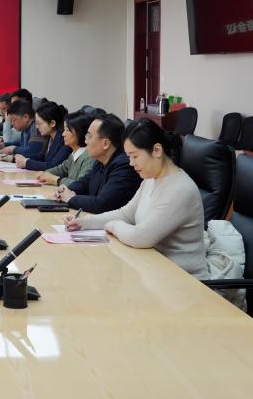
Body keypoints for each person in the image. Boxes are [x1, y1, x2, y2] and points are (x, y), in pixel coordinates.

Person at [65, 119, 208, 278]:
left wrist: (112, 225)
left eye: (135, 156)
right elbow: (126, 214)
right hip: (151, 266)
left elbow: (140, 237)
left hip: (182, 278)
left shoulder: (180, 189)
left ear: (157, 150)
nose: (131, 163)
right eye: (129, 157)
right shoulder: (150, 180)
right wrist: (85, 223)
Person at [54, 113, 141, 213]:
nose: (85, 141)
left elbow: (102, 204)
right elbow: (84, 183)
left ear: (106, 143)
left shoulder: (124, 166)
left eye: (89, 136)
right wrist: (65, 190)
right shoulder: (100, 161)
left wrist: (70, 198)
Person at [38, 111, 96, 186]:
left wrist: (56, 180)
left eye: (67, 130)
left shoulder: (89, 157)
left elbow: (81, 185)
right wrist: (44, 173)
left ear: (80, 132)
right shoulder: (73, 155)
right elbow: (60, 169)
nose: (63, 134)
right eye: (64, 130)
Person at [15, 101, 70, 171]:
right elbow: (41, 157)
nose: (37, 127)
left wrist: (26, 163)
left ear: (52, 123)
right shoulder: (50, 137)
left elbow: (53, 166)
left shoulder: (64, 140)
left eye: (39, 124)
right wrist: (17, 159)